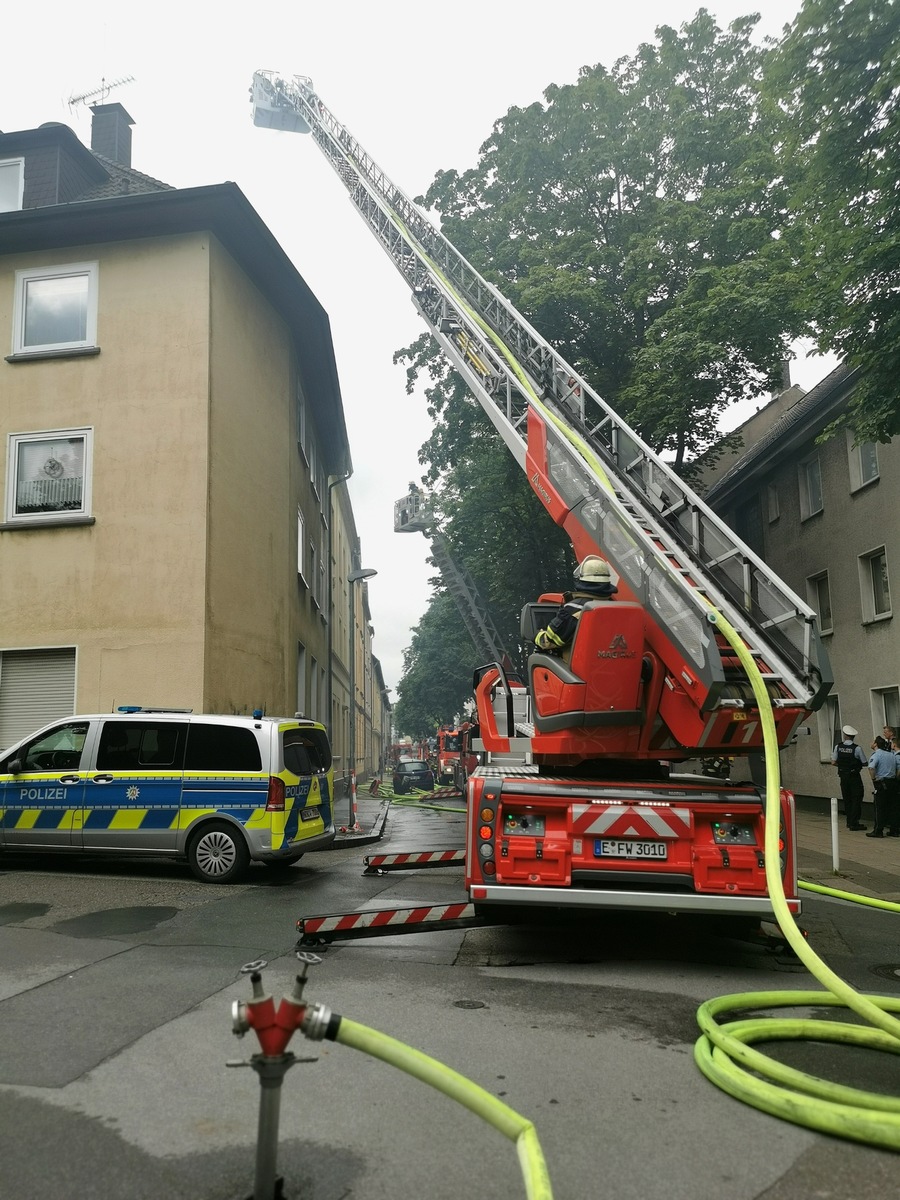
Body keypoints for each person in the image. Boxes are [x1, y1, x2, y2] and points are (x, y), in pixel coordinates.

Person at [534, 555, 618, 655]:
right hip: (613, 664)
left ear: (582, 579)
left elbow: (550, 641)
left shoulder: (575, 609)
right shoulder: (617, 607)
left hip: (581, 666)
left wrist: (537, 636)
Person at [831, 725, 867, 830]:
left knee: (847, 799)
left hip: (843, 776)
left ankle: (849, 822)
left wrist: (842, 766)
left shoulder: (838, 747)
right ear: (853, 737)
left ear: (844, 735)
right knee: (856, 798)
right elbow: (864, 763)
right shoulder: (857, 748)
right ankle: (854, 823)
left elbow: (833, 762)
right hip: (854, 776)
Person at [866, 735, 897, 838]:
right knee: (892, 807)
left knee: (879, 808)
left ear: (875, 744)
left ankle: (878, 830)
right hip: (892, 783)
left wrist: (874, 779)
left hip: (882, 783)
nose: (871, 743)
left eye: (872, 742)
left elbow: (871, 768)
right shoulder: (891, 754)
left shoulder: (876, 755)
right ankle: (894, 830)